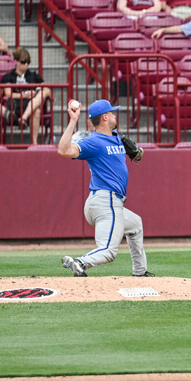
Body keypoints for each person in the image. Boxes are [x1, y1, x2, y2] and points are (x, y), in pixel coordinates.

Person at [58, 99, 151, 277]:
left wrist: (137, 152)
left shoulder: (117, 138)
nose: (116, 115)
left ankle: (140, 272)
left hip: (107, 203)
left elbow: (138, 154)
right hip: (106, 201)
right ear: (105, 117)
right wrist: (73, 121)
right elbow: (64, 150)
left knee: (135, 224)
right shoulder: (94, 142)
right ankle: (80, 262)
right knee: (108, 251)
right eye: (113, 112)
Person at [0, 47, 51, 145]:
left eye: (28, 62)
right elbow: (8, 94)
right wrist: (25, 95)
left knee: (42, 98)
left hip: (31, 105)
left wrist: (37, 93)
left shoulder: (33, 75)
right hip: (15, 106)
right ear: (16, 61)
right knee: (36, 109)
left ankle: (33, 140)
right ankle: (24, 118)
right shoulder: (8, 76)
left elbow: (47, 90)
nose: (26, 64)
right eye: (23, 62)